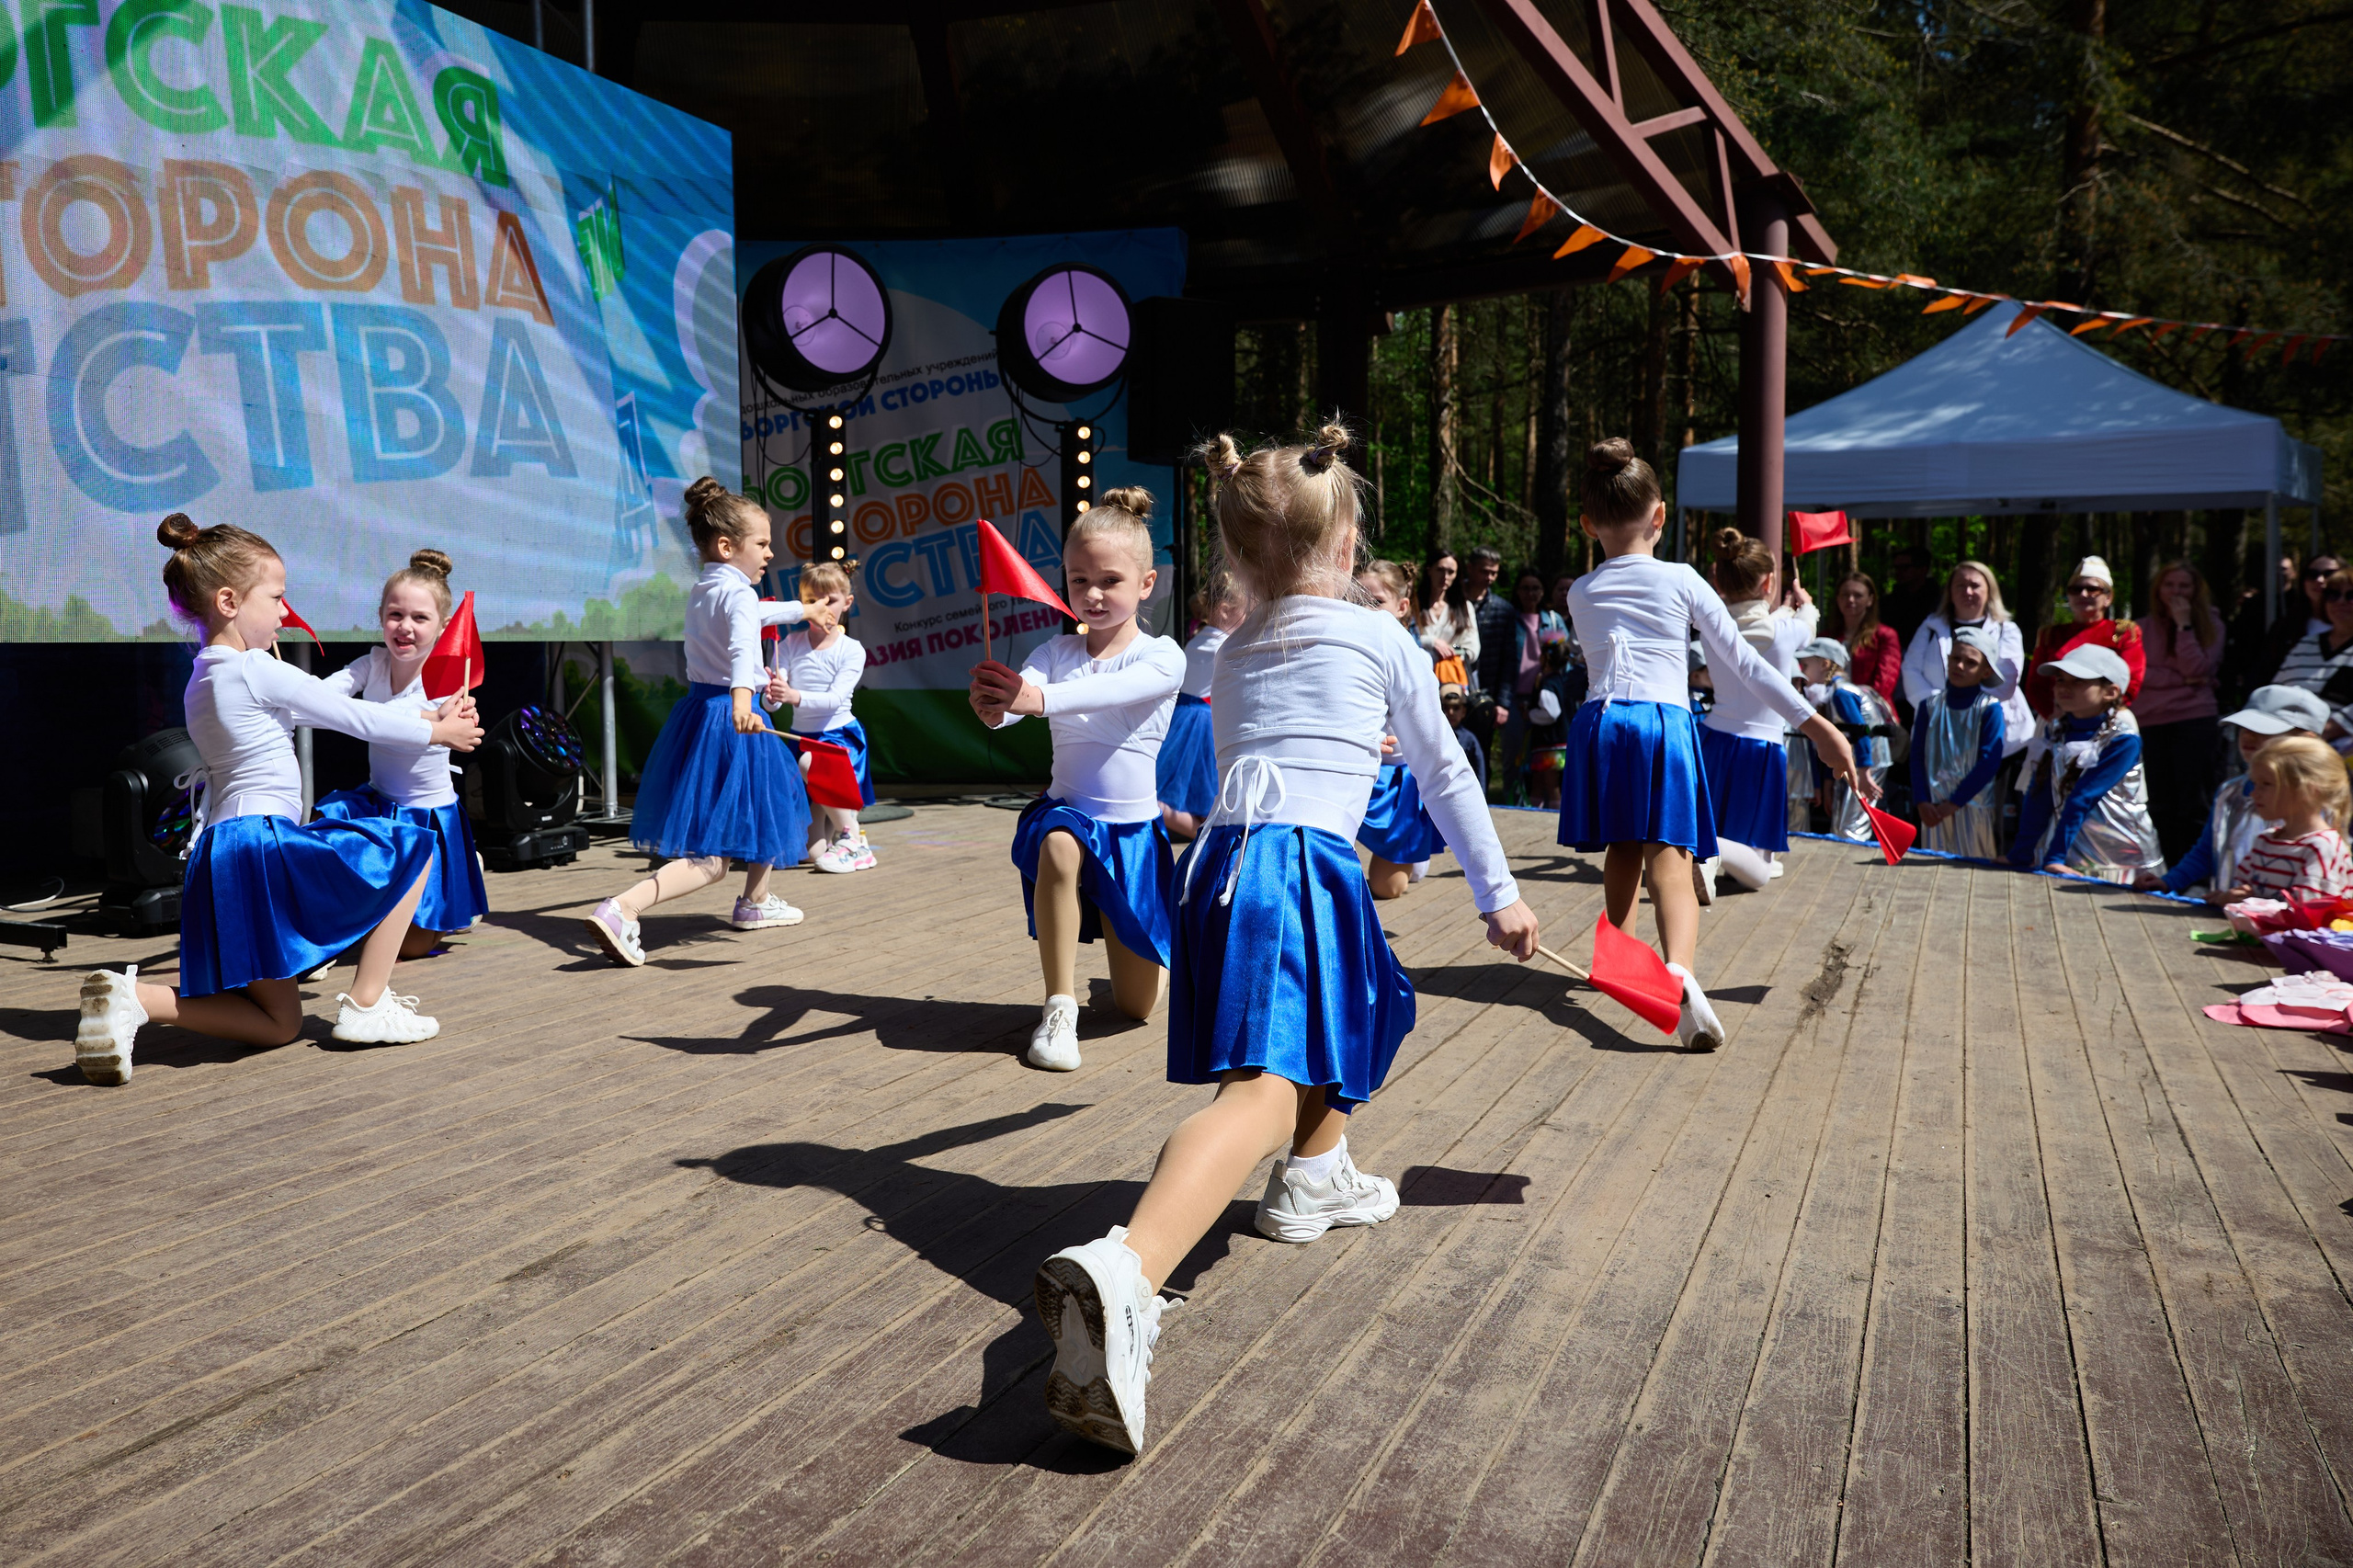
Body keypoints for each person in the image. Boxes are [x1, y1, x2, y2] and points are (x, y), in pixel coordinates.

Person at [1029, 424, 1537, 1456]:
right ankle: (1131, 1269)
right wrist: (1501, 893)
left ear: (1235, 562)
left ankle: (1315, 1172)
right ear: (1347, 548)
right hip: (1296, 867)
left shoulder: (1236, 646)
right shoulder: (1381, 637)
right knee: (1259, 1086)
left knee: (1360, 1002)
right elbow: (1444, 773)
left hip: (1218, 867)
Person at [73, 515, 486, 1085]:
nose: (286, 612)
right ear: (228, 601)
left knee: (278, 1024)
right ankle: (367, 1004)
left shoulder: (206, 676)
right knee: (411, 848)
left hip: (220, 856)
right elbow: (348, 714)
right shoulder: (255, 668)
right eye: (276, 597)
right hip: (260, 844)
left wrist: (425, 716)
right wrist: (438, 731)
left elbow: (325, 704)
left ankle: (132, 998)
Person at [1559, 440, 1870, 1050]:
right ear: (1661, 517)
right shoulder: (1682, 579)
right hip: (1662, 723)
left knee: (1622, 845)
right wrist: (1821, 726)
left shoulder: (1580, 592)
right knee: (1670, 854)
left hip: (1599, 723)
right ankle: (1679, 970)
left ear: (1587, 524)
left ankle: (1616, 957)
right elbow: (1750, 667)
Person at [970, 486, 1182, 1073]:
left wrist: (1034, 698)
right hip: (1068, 812)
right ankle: (1059, 1010)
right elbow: (1017, 701)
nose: (1091, 593)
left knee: (1137, 1006)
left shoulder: (1164, 656)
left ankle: (1141, 965)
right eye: (1078, 578)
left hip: (1135, 839)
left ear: (1147, 583)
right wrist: (996, 704)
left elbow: (1104, 691)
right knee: (1059, 845)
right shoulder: (1054, 651)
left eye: (1109, 580)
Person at [583, 478, 832, 966]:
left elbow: (755, 616)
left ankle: (756, 903)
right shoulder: (737, 596)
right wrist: (745, 697)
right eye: (761, 544)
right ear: (726, 545)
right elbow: (743, 646)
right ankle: (623, 908)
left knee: (767, 801)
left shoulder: (707, 588)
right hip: (732, 714)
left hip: (703, 711)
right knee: (714, 857)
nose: (769, 553)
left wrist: (803, 609)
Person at [309, 549, 491, 960]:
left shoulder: (449, 680)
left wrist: (432, 717)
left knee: (407, 948)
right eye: (395, 615)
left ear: (444, 626)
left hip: (426, 819)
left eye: (420, 618)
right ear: (380, 615)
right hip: (377, 806)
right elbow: (327, 697)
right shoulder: (371, 664)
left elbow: (388, 724)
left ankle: (462, 875)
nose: (405, 627)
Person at [1699, 528, 1814, 891]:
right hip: (1760, 748)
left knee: (1733, 837)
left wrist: (1783, 607)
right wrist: (1805, 603)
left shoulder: (1711, 627)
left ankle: (1710, 852)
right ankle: (1714, 851)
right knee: (1762, 871)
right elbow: (1806, 626)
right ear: (1769, 582)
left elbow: (1755, 619)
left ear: (1718, 578)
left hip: (1714, 739)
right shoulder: (1786, 629)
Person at [2139, 685, 2331, 902]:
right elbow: (2208, 850)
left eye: (2264, 730)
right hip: (2227, 915)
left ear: (2306, 740)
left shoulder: (2316, 802)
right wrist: (2168, 882)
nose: (2248, 735)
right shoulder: (2230, 791)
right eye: (2244, 727)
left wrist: (2255, 902)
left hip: (2285, 925)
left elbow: (2315, 888)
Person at [2009, 644, 2165, 882]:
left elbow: (2083, 797)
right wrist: (2020, 855)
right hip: (2069, 855)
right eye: (2060, 680)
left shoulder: (2122, 740)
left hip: (2120, 858)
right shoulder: (2057, 730)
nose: (2064, 687)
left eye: (2078, 681)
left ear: (2110, 692)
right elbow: (2040, 792)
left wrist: (2055, 858)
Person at [1353, 559, 1449, 897]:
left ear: (1402, 606)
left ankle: (1413, 856)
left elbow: (1431, 738)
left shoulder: (1416, 658)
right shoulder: (1344, 652)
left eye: (1376, 601)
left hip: (1397, 782)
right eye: (1357, 599)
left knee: (1387, 889)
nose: (1365, 609)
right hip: (1354, 771)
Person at [777, 561, 875, 873]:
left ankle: (854, 839)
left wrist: (794, 695)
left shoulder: (852, 650)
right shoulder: (789, 644)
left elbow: (834, 699)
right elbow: (773, 704)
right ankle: (845, 838)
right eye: (811, 601)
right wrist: (772, 691)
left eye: (829, 599)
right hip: (800, 738)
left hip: (837, 740)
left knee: (811, 763)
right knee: (811, 853)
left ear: (847, 602)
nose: (821, 607)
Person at [2131, 561, 2226, 863]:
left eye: (2184, 586)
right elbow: (2140, 674)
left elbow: (2199, 667)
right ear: (2158, 589)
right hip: (2150, 721)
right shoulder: (2140, 628)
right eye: (2169, 585)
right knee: (2159, 801)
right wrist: (2183, 680)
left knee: (2194, 802)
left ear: (2196, 591)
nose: (2176, 592)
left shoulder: (2211, 625)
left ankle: (2192, 869)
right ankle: (2164, 866)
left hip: (2195, 719)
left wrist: (2184, 626)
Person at [1902, 559, 2031, 757]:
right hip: (1937, 729)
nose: (1967, 592)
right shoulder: (1930, 626)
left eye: (1975, 585)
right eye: (1960, 585)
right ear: (1950, 592)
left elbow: (2006, 679)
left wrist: (1965, 707)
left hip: (1993, 734)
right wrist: (1942, 706)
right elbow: (1910, 670)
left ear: (1989, 591)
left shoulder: (2007, 629)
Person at [1907, 625, 2008, 858]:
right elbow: (1917, 756)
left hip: (1973, 807)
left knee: (1974, 871)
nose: (1960, 666)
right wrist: (1922, 800)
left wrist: (1954, 803)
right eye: (1955, 658)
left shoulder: (1989, 708)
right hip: (1932, 809)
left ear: (1985, 671)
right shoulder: (1929, 706)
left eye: (1970, 662)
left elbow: (1989, 762)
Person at [1159, 569, 1245, 841]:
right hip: (1200, 722)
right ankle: (1202, 834)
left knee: (1194, 792)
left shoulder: (1201, 637)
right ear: (1224, 611)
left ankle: (1200, 829)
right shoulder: (1222, 644)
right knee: (1200, 796)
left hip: (1187, 716)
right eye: (1247, 610)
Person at [2225, 735, 2352, 902]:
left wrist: (2249, 902)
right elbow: (2244, 889)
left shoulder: (2322, 847)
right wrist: (2232, 897)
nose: (2254, 794)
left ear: (2309, 790)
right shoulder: (2265, 841)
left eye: (2266, 784)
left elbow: (2308, 913)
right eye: (2255, 783)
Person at [1796, 636, 1898, 843]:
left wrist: (1865, 773)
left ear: (1824, 664)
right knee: (1842, 824)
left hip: (1867, 763)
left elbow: (1859, 732)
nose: (1802, 669)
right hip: (1861, 762)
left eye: (1806, 664)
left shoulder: (1841, 693)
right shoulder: (1838, 691)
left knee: (1852, 828)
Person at [2024, 555, 2145, 719]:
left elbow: (2132, 681)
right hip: (2057, 717)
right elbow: (2036, 685)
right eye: (2076, 589)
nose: (2083, 594)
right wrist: (2053, 714)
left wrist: (2097, 716)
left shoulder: (2122, 633)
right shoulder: (2051, 635)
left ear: (2108, 597)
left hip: (2108, 718)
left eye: (2092, 589)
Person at [1492, 568, 1570, 791]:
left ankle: (1542, 808)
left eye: (1535, 588)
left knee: (1545, 760)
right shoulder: (1509, 619)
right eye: (1525, 588)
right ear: (1517, 591)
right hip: (1515, 699)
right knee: (1512, 756)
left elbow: (1565, 656)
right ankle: (1509, 802)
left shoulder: (1552, 620)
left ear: (1543, 591)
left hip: (1544, 700)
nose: (1530, 593)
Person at [2268, 565, 2353, 752]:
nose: (2341, 602)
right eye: (2333, 595)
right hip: (2293, 746)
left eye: (2350, 595)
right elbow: (2277, 693)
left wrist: (2325, 730)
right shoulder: (2305, 645)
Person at [2237, 551, 2334, 702]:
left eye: (2329, 573)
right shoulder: (2285, 628)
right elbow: (2263, 674)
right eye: (2312, 574)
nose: (2320, 580)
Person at [1463, 545, 1511, 780]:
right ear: (1470, 568)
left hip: (1487, 696)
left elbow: (1509, 660)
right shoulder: (1453, 601)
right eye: (1484, 571)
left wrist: (1503, 702)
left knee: (1480, 754)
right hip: (1454, 688)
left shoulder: (1504, 610)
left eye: (1494, 573)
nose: (1489, 578)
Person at [1823, 571, 1903, 705]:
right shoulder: (1826, 638)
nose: (1851, 600)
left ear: (1870, 599)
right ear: (1837, 598)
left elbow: (1885, 683)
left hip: (1872, 713)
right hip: (1830, 712)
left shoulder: (1885, 636)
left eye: (1858, 595)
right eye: (1845, 595)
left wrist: (1857, 706)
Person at [1415, 551, 1477, 687]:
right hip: (1418, 679)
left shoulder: (1464, 607)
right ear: (1429, 570)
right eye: (1440, 570)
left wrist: (1449, 650)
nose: (1445, 576)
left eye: (1451, 572)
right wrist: (1432, 642)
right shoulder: (1413, 604)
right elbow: (1403, 638)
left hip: (1452, 681)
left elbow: (1472, 649)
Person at [1881, 544, 1943, 649]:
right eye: (1896, 568)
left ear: (1923, 569)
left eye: (1905, 568)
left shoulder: (1939, 602)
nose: (1898, 572)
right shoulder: (1887, 603)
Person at [1441, 684, 1484, 782]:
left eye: (1456, 708)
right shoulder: (1434, 737)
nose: (1451, 712)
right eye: (1446, 708)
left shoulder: (1470, 739)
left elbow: (1479, 770)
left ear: (1464, 711)